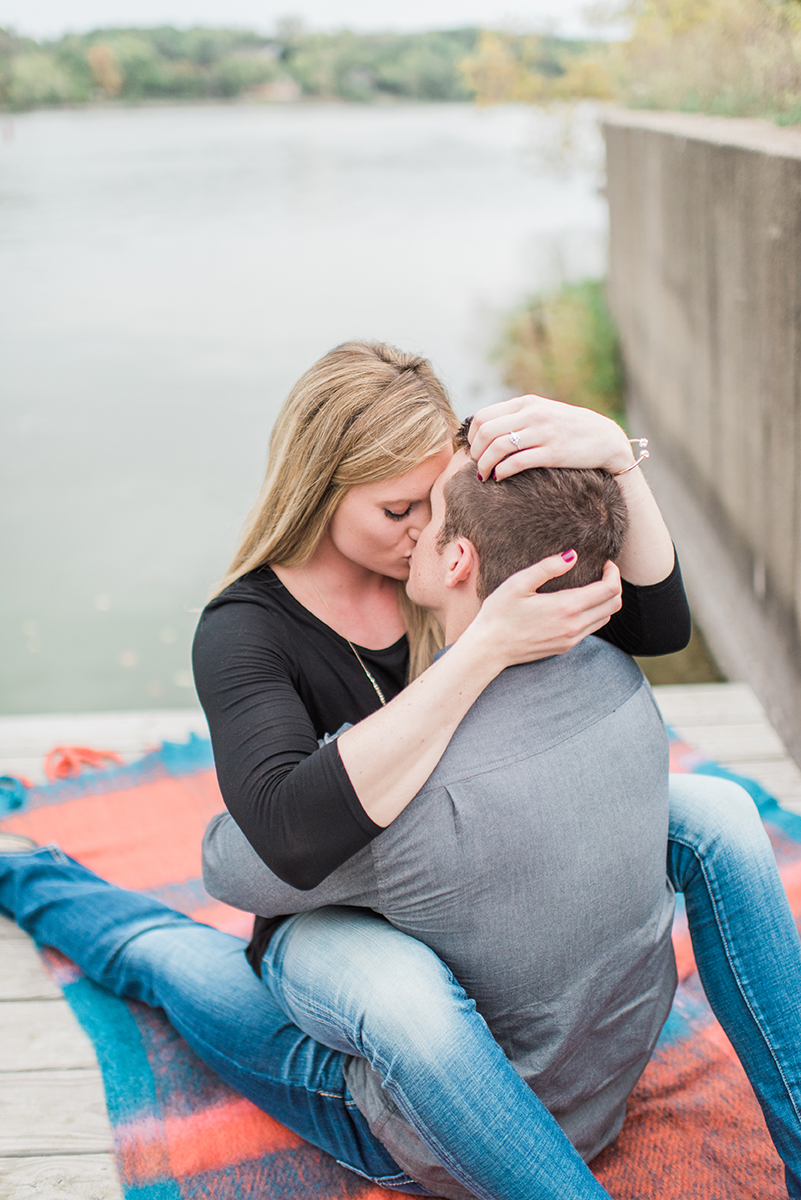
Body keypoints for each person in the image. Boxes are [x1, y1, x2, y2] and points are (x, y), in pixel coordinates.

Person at [1, 341, 800, 1200]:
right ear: (320, 488)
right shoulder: (245, 633)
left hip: (462, 878)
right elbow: (275, 846)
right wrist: (484, 647)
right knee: (172, 957)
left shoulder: (451, 564)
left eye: (435, 501)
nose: (429, 530)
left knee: (712, 814)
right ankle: (29, 871)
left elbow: (654, 622)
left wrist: (613, 455)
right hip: (343, 919)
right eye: (396, 511)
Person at [202, 448, 679, 1198]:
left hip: (443, 1144)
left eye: (428, 516)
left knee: (166, 959)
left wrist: (341, 758)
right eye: (400, 508)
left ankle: (31, 874)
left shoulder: (424, 805)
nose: (414, 532)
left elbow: (229, 864)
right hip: (604, 1100)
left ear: (458, 559)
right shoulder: (619, 680)